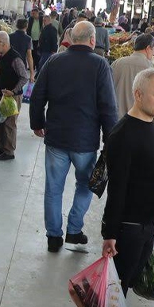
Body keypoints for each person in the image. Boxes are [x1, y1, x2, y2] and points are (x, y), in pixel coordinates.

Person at [30, 22, 118, 252]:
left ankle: (53, 237)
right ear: (92, 40)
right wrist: (111, 139)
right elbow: (108, 106)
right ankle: (74, 230)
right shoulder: (100, 65)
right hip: (85, 141)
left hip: (56, 138)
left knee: (53, 188)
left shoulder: (54, 61)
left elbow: (38, 94)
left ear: (70, 37)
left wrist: (37, 123)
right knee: (85, 185)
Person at [101, 69, 154, 296]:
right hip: (129, 231)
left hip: (147, 227)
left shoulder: (151, 126)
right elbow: (117, 189)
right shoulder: (123, 136)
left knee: (126, 286)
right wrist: (110, 234)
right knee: (116, 290)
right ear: (138, 95)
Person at [0, 31, 29, 161]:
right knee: (0, 120)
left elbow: (24, 77)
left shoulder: (15, 58)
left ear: (4, 43)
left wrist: (14, 91)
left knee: (9, 123)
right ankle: (1, 146)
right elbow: (0, 77)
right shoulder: (0, 56)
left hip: (13, 97)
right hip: (3, 94)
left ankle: (9, 151)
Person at [112, 34, 154, 120]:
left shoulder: (117, 63)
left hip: (117, 119)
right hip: (140, 121)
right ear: (148, 48)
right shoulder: (152, 68)